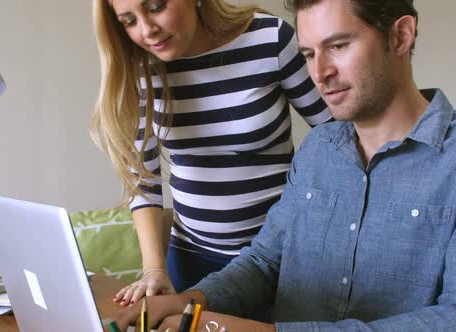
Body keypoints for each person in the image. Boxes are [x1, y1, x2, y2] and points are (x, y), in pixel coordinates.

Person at [112, 0, 456, 330]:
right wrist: (190, 302)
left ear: (401, 36)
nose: (320, 74)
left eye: (339, 46)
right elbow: (265, 262)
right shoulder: (318, 149)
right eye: (309, 54)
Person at [90, 0, 332, 304]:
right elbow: (144, 179)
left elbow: (336, 136)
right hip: (191, 257)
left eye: (155, 6)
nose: (147, 30)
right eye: (129, 21)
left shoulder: (270, 40)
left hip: (277, 259)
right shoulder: (141, 66)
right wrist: (153, 269)